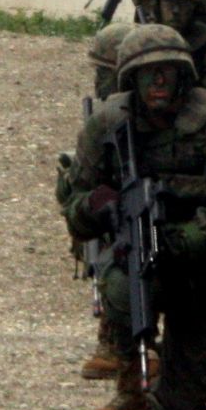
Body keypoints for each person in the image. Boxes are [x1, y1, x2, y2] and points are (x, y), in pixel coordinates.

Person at [60, 24, 206, 410]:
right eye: (148, 73)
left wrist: (175, 240)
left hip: (200, 272)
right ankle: (130, 394)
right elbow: (74, 207)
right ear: (132, 79)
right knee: (124, 288)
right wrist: (97, 206)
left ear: (184, 76)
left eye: (167, 71)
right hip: (139, 261)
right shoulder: (107, 124)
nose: (158, 81)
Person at [63, 21, 139, 381]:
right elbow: (77, 192)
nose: (99, 81)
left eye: (104, 72)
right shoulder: (102, 121)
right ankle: (114, 331)